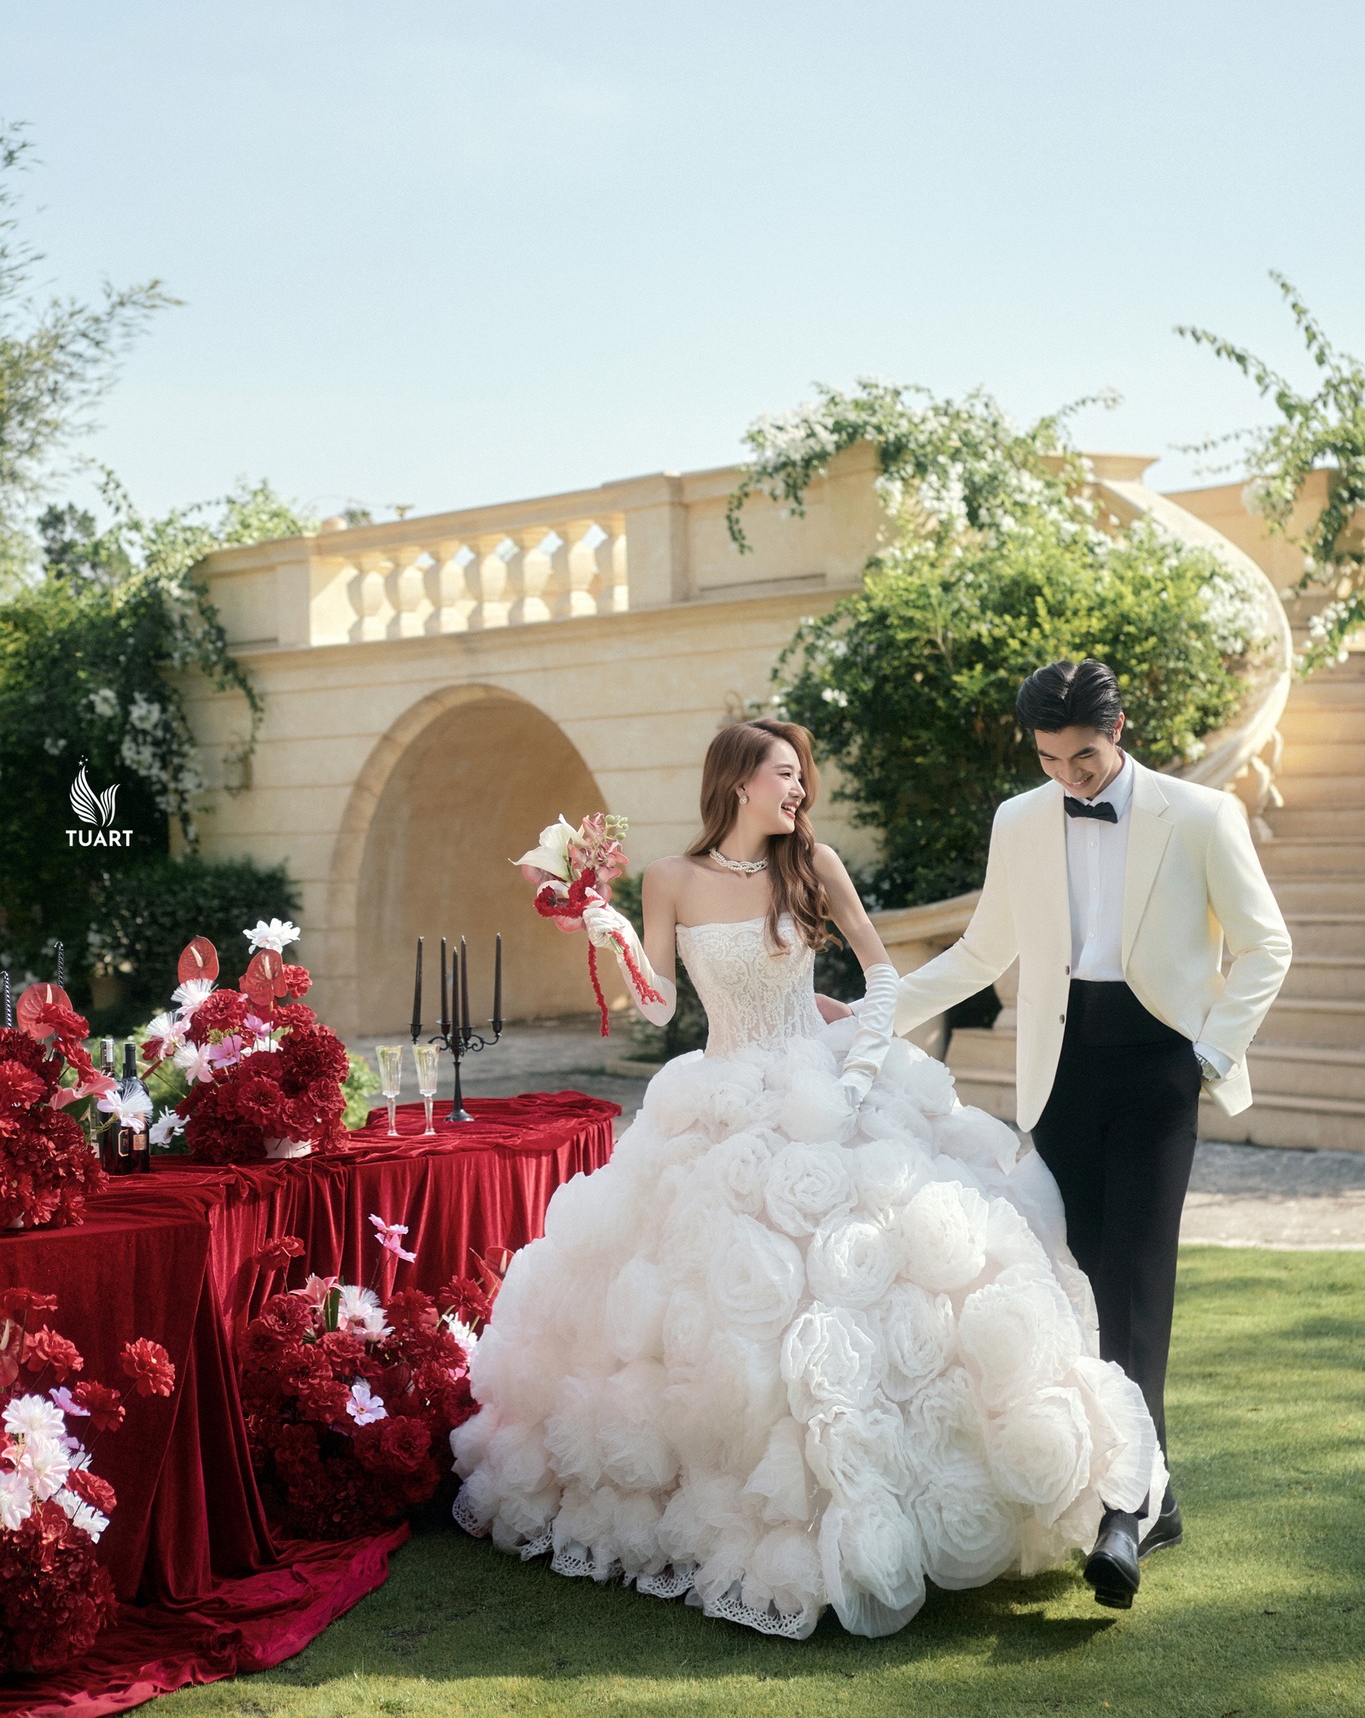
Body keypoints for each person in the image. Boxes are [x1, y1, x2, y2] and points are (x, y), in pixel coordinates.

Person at [452, 718, 1165, 1639]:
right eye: (784, 774)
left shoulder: (812, 865)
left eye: (799, 776)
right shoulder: (670, 878)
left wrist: (859, 1070)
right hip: (719, 1098)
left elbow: (879, 976)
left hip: (823, 1088)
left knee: (881, 1276)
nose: (798, 790)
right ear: (738, 782)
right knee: (712, 1309)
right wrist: (616, 935)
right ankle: (752, 1503)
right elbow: (659, 1008)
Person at [892, 660, 1292, 1608]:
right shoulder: (1019, 820)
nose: (1067, 777)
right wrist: (874, 1016)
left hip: (1158, 1071)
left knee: (1137, 1283)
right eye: (1047, 759)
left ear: (1117, 730)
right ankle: (1158, 1493)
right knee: (1079, 1281)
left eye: (1081, 758)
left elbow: (1265, 944)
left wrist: (1204, 1054)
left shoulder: (1200, 816)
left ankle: (1122, 1513)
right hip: (1060, 1077)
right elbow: (983, 949)